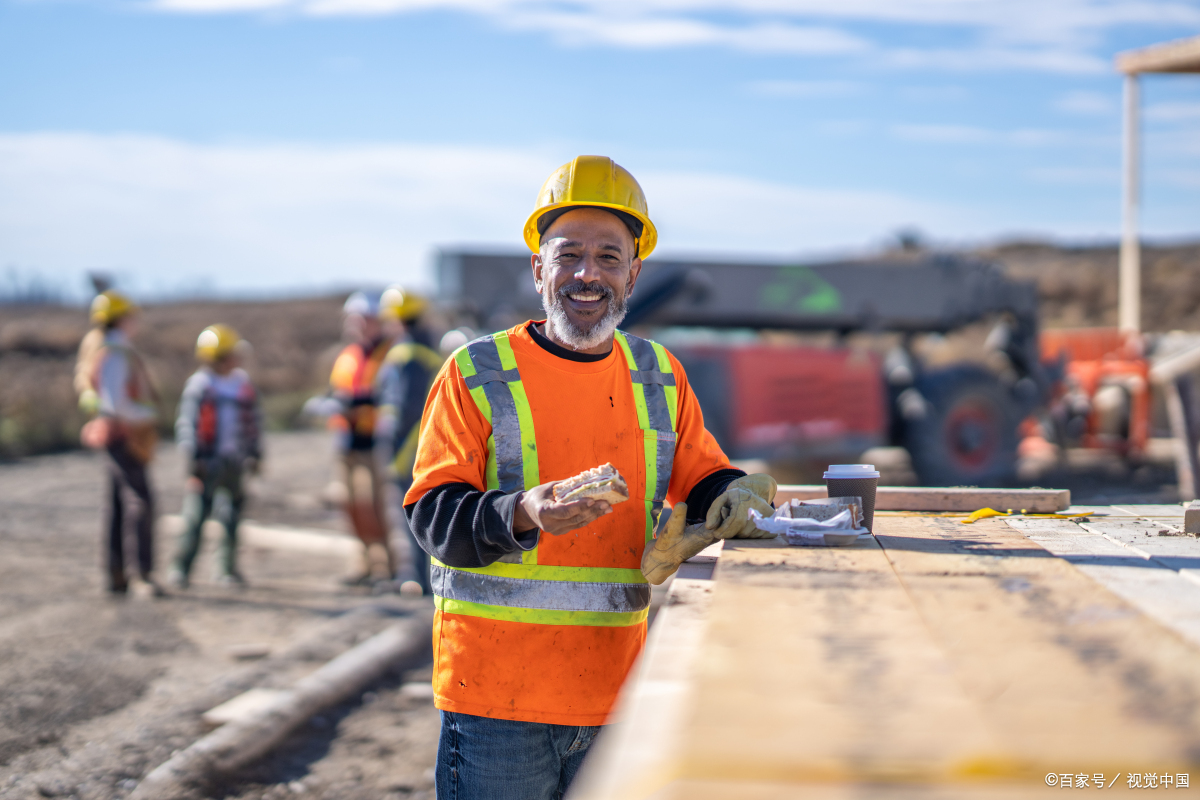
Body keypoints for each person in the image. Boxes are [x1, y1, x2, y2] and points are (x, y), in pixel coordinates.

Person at [404, 155, 778, 798]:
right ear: (538, 267)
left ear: (634, 273)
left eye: (609, 257)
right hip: (496, 701)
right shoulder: (476, 372)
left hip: (617, 692)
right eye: (568, 253)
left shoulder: (658, 375)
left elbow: (704, 475)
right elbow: (433, 516)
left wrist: (735, 492)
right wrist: (524, 513)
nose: (587, 274)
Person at [169, 324, 263, 589]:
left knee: (232, 518)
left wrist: (256, 454)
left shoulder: (242, 385)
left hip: (235, 461)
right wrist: (192, 459)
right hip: (207, 463)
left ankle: (226, 569)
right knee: (195, 517)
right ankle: (180, 569)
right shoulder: (200, 387)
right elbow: (187, 425)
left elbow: (254, 422)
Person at [84, 290, 162, 597]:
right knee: (140, 502)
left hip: (115, 435)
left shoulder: (109, 350)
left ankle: (116, 574)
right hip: (125, 436)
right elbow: (117, 405)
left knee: (118, 503)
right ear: (123, 318)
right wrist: (147, 413)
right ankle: (140, 573)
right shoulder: (116, 353)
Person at [375, 286, 444, 595]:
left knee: (412, 512)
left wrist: (390, 450)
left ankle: (419, 579)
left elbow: (402, 411)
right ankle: (421, 577)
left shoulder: (407, 355)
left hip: (408, 447)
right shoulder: (426, 351)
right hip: (422, 444)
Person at [329, 292, 399, 586]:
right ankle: (364, 563)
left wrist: (360, 402)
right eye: (355, 319)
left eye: (365, 319)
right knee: (350, 504)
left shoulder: (390, 355)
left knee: (374, 504)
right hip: (346, 441)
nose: (358, 324)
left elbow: (389, 396)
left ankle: (385, 566)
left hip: (375, 443)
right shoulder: (347, 356)